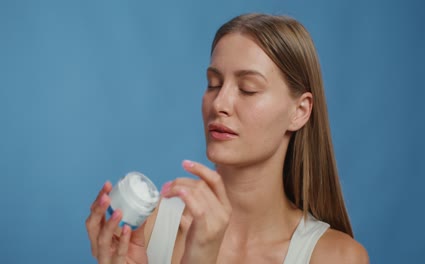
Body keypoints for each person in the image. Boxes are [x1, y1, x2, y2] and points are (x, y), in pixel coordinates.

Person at [85, 13, 369, 264]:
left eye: (248, 89)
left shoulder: (337, 257)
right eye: (214, 84)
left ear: (300, 111)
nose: (219, 103)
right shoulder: (145, 228)